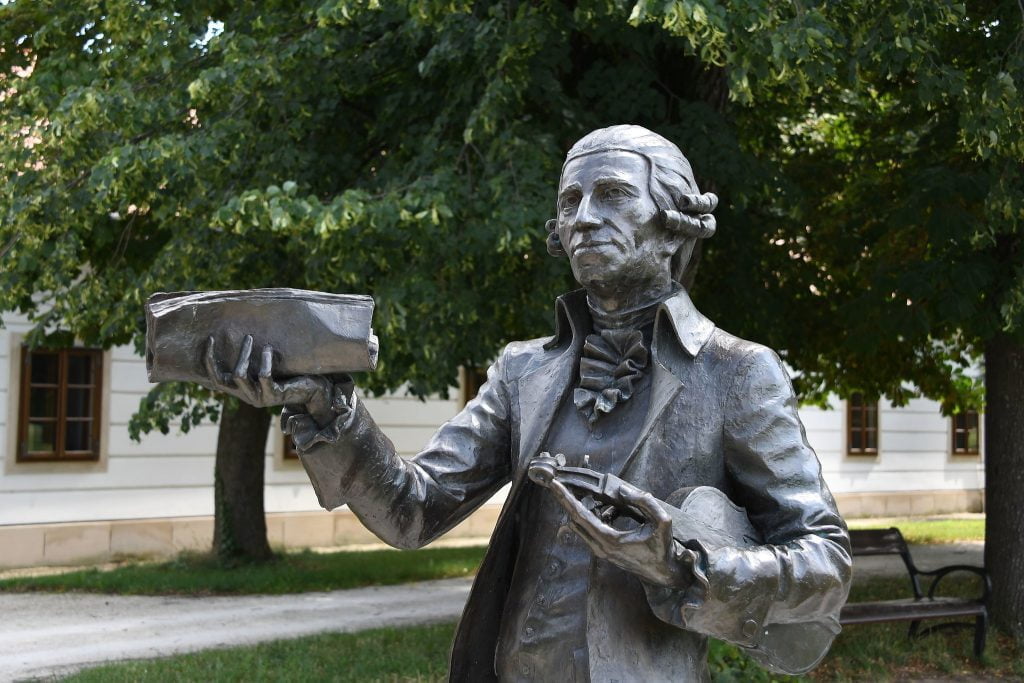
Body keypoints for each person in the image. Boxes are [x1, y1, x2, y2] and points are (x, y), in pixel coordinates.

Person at [205, 125, 852, 681]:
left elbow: (825, 563)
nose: (584, 216)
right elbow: (411, 509)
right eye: (570, 200)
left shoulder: (735, 373)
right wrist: (327, 406)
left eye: (614, 194)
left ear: (674, 223)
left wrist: (685, 562)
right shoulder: (525, 371)